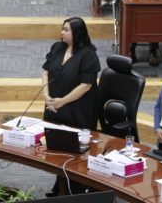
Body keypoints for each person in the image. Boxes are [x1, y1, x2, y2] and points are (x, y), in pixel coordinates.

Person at [42, 17, 100, 196]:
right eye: (62, 29)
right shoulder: (57, 47)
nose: (62, 33)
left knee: (73, 152)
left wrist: (62, 101)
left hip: (77, 110)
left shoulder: (88, 54)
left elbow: (86, 85)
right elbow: (45, 70)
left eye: (66, 30)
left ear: (77, 33)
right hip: (54, 106)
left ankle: (72, 189)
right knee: (57, 146)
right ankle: (59, 184)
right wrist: (46, 95)